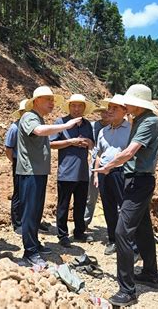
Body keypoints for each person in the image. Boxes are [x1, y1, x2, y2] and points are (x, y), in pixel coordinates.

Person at [94, 84, 158, 307]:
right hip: (135, 179)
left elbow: (130, 151)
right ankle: (151, 274)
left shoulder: (149, 122)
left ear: (137, 103)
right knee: (142, 228)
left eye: (127, 102)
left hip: (140, 181)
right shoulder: (140, 120)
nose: (124, 105)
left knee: (122, 232)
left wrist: (108, 166)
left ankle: (127, 291)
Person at [17, 86, 82, 267]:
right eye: (48, 100)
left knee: (36, 211)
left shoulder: (38, 118)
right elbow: (38, 131)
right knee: (30, 212)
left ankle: (34, 244)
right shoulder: (29, 117)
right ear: (36, 101)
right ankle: (29, 252)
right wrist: (66, 126)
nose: (52, 103)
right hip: (30, 172)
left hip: (38, 172)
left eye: (53, 100)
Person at [50, 94, 95, 248]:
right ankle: (62, 235)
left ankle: (79, 231)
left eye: (80, 106)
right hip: (66, 172)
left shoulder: (88, 125)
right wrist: (70, 142)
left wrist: (88, 142)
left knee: (81, 204)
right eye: (73, 106)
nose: (76, 109)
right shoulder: (61, 123)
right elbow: (52, 144)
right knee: (63, 204)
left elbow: (92, 144)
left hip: (83, 172)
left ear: (84, 108)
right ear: (69, 107)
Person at [93, 94, 131, 255]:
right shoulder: (103, 131)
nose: (111, 110)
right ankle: (113, 240)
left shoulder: (131, 130)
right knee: (108, 207)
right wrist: (96, 174)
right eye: (110, 107)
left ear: (124, 110)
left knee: (125, 207)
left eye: (115, 108)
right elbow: (99, 154)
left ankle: (128, 242)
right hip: (103, 172)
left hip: (121, 172)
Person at [84, 102, 110, 227]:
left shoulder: (115, 127)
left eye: (107, 111)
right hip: (95, 162)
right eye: (103, 111)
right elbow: (88, 141)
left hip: (111, 164)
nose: (105, 114)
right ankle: (84, 222)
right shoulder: (93, 126)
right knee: (91, 195)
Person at [5, 99, 28, 234]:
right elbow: (8, 149)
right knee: (19, 193)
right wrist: (14, 161)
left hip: (31, 165)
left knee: (29, 193)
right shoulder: (15, 128)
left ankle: (27, 220)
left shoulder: (33, 127)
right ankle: (17, 222)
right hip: (19, 163)